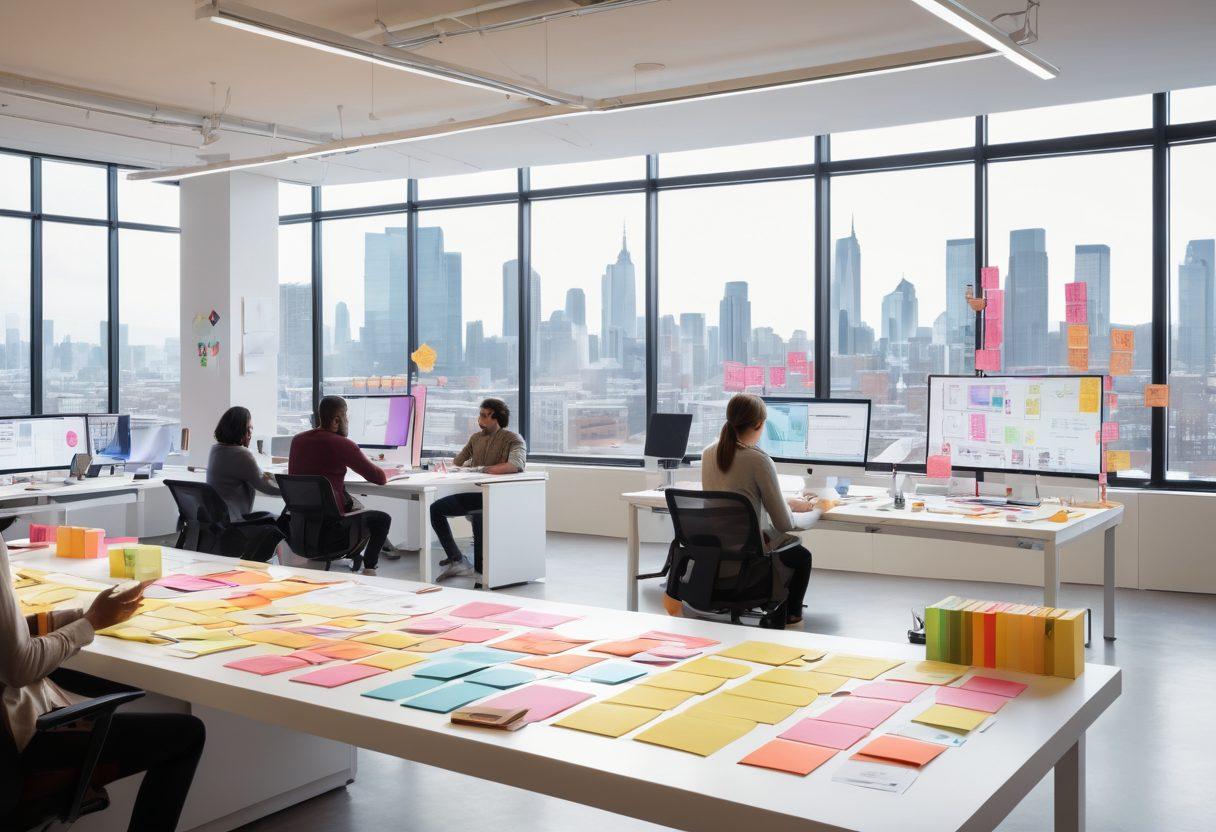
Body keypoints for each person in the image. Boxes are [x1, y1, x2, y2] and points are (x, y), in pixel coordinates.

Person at [1, 526, 205, 832]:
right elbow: (20, 666)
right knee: (188, 734)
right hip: (18, 742)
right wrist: (92, 622)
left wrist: (81, 617)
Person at [700, 393, 836, 626]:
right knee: (801, 555)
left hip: (719, 549)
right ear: (759, 424)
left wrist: (786, 501)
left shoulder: (708, 453)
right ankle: (792, 615)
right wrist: (818, 511)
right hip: (753, 549)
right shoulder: (758, 460)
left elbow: (739, 495)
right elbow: (784, 524)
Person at [288, 395, 396, 576]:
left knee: (355, 504)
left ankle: (358, 557)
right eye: (346, 416)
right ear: (337, 420)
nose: (347, 421)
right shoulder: (342, 444)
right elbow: (379, 477)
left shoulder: (297, 440)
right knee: (382, 519)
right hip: (333, 530)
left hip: (302, 531)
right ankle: (370, 569)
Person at [431, 398, 527, 581]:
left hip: (501, 495)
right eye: (480, 414)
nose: (480, 419)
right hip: (480, 493)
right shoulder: (475, 438)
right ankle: (457, 560)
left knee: (478, 514)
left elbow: (514, 465)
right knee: (436, 509)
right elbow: (458, 462)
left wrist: (479, 468)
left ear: (497, 417)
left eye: (485, 415)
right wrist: (468, 463)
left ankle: (482, 573)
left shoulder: (513, 439)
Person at [205, 406, 283, 561]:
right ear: (237, 431)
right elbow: (266, 487)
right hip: (234, 523)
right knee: (280, 523)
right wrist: (292, 489)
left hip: (218, 521)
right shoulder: (241, 454)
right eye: (248, 430)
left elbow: (255, 475)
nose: (250, 435)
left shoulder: (216, 450)